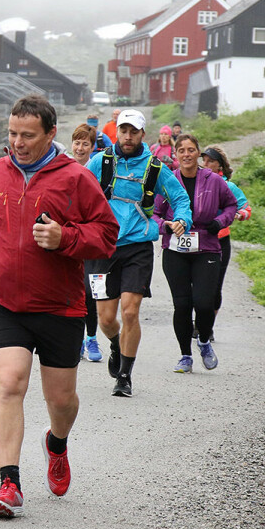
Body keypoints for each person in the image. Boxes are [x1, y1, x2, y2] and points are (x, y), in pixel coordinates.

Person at [0, 95, 118, 518]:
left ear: (50, 134)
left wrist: (65, 239)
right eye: (12, 134)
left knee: (60, 399)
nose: (18, 142)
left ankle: (57, 443)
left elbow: (105, 235)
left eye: (28, 135)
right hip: (4, 302)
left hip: (59, 306)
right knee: (9, 383)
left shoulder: (76, 178)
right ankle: (9, 484)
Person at [85, 110, 192, 397]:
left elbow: (180, 197)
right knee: (106, 319)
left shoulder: (154, 167)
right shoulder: (101, 162)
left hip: (138, 247)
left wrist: (183, 218)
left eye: (134, 131)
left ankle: (124, 376)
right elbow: (75, 189)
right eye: (124, 131)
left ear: (143, 134)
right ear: (117, 132)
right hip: (103, 246)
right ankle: (115, 345)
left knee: (130, 311)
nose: (128, 137)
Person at [153, 134, 237, 373]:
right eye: (182, 151)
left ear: (198, 154)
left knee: (203, 302)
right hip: (175, 249)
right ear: (176, 155)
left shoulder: (214, 181)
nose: (186, 155)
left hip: (206, 247)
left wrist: (219, 222)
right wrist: (166, 226)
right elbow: (154, 213)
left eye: (191, 150)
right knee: (181, 305)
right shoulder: (167, 181)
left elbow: (232, 205)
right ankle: (185, 355)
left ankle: (203, 341)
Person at [201, 145, 252, 326]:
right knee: (197, 287)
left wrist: (239, 214)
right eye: (204, 160)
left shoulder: (228, 186)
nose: (206, 164)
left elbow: (246, 208)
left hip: (221, 241)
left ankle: (208, 326)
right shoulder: (196, 183)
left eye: (211, 161)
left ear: (219, 166)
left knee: (214, 287)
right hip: (199, 240)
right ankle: (199, 321)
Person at [69, 123, 105, 363]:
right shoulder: (62, 167)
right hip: (68, 237)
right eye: (77, 142)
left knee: (91, 291)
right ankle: (74, 339)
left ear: (92, 148)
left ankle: (91, 337)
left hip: (91, 238)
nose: (80, 148)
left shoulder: (98, 171)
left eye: (85, 144)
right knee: (70, 291)